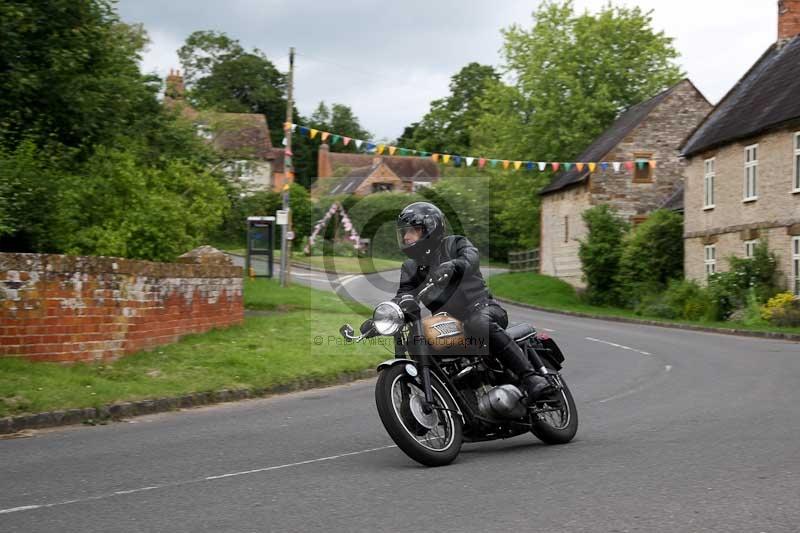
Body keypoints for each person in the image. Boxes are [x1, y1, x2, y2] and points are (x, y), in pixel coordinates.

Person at [393, 201, 551, 404]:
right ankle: (456, 401)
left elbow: (471, 257)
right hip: (448, 322)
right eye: (404, 232)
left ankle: (531, 378)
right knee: (417, 340)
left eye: (412, 231)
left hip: (483, 308)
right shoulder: (410, 267)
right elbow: (403, 293)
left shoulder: (455, 244)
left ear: (430, 228)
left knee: (478, 324)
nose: (406, 237)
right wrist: (386, 314)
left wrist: (454, 265)